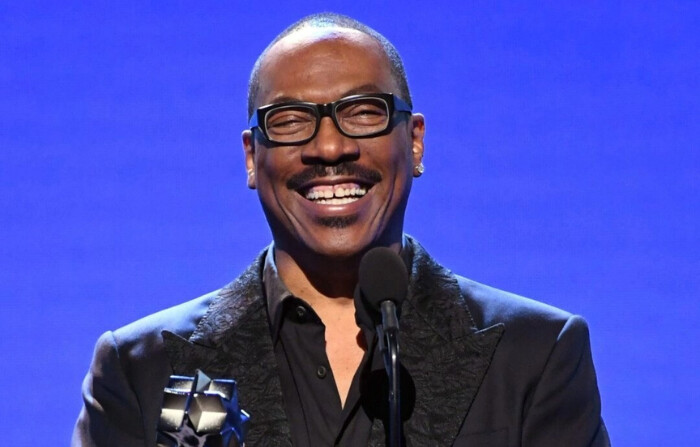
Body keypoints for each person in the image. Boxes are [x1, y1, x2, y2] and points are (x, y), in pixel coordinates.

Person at [72, 12, 610, 447]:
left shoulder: (536, 355)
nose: (330, 148)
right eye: (289, 120)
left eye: (362, 112)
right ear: (251, 159)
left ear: (415, 142)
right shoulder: (140, 369)